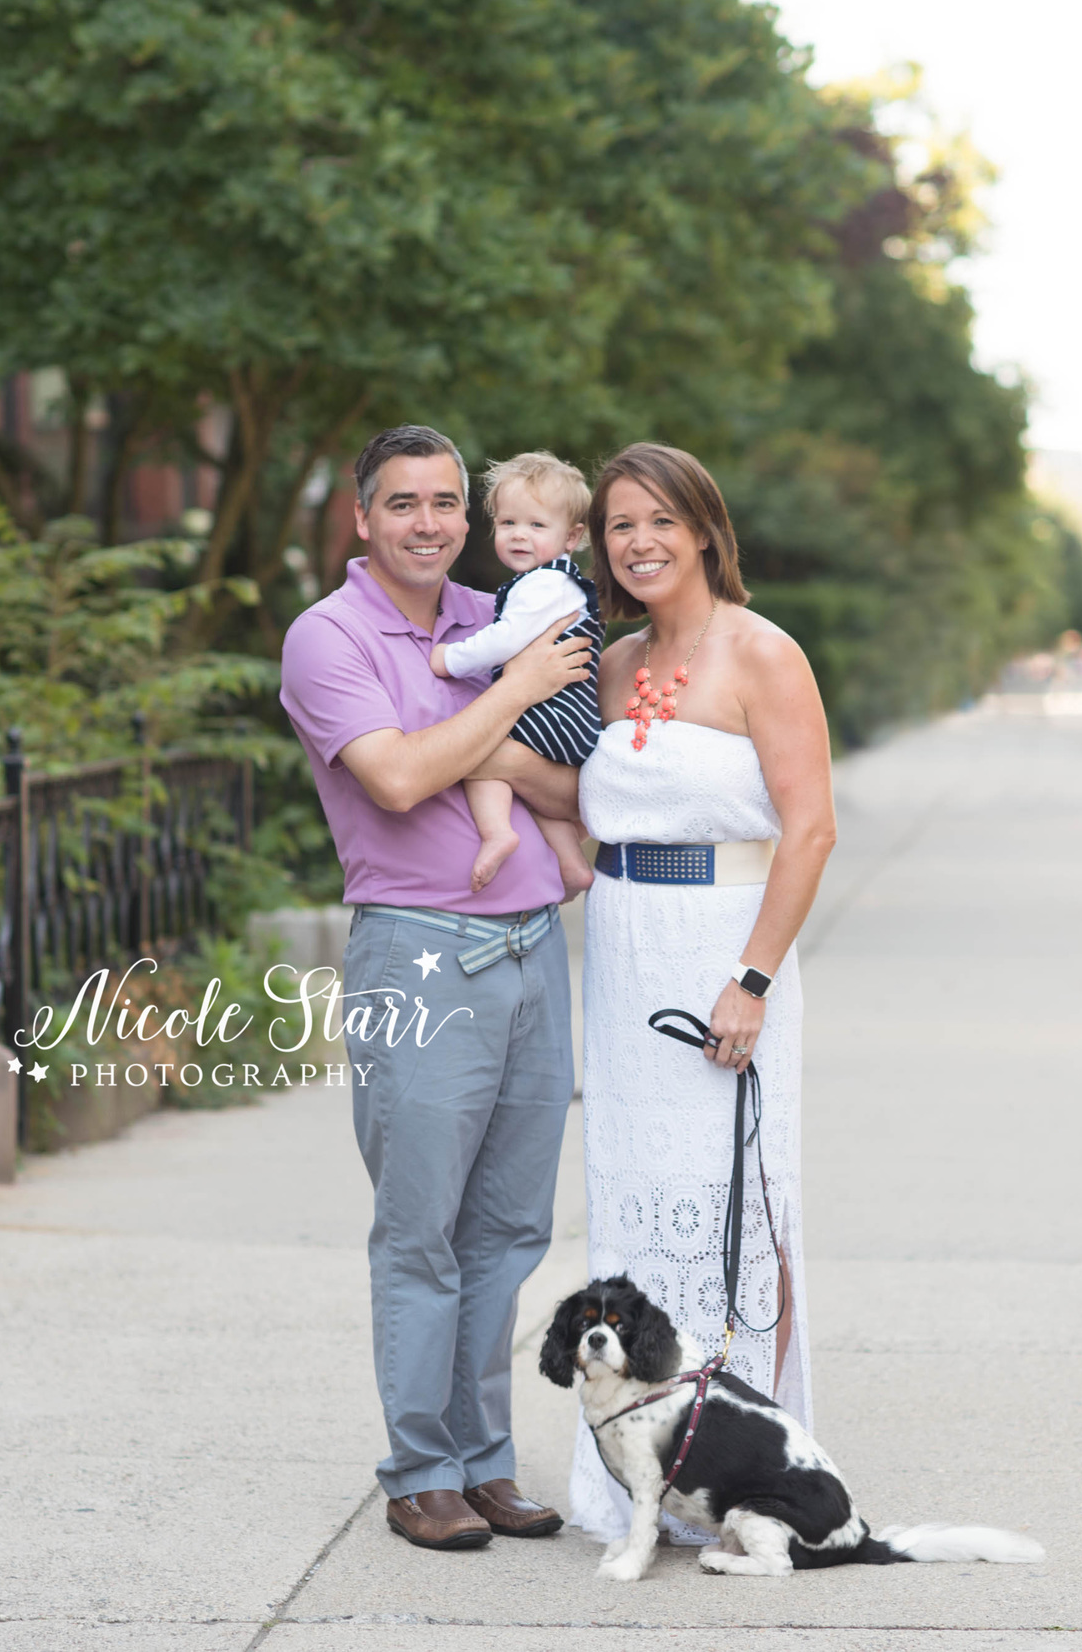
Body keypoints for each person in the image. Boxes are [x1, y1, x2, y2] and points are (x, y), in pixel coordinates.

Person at [277, 423, 594, 1553]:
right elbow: (399, 779)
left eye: (447, 502)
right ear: (362, 517)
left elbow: (578, 782)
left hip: (530, 951)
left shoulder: (497, 613)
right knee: (421, 1231)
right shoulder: (327, 639)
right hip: (417, 953)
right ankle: (421, 1469)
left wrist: (476, 733)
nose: (430, 522)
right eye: (403, 502)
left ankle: (484, 1459)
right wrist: (505, 713)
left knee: (507, 1230)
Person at [566, 441, 837, 1547]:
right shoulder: (610, 662)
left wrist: (752, 979)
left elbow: (809, 827)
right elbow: (576, 800)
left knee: (740, 1204)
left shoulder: (762, 653)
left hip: (723, 953)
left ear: (705, 530)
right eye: (618, 525)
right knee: (635, 1212)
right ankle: (639, 1477)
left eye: (657, 522)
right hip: (622, 955)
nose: (637, 542)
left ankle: (755, 1458)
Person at [430, 451, 605, 894]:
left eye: (536, 525)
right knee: (528, 784)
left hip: (551, 712)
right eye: (508, 524)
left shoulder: (544, 585)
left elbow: (504, 641)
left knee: (475, 755)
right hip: (569, 717)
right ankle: (572, 864)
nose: (518, 535)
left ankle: (496, 833)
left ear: (573, 536)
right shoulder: (555, 583)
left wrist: (448, 659)